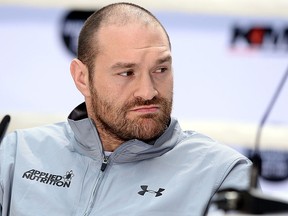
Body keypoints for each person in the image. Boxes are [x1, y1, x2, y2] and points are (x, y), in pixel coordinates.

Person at [0, 2, 252, 216]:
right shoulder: (16, 154)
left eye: (160, 70)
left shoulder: (222, 173)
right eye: (126, 73)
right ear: (82, 78)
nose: (148, 91)